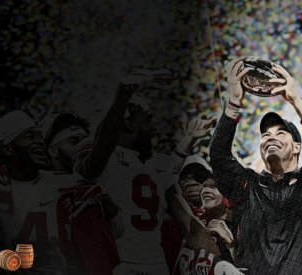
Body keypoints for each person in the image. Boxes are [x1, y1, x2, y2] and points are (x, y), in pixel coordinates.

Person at [73, 69, 215, 275]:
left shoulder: (154, 162)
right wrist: (123, 94)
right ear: (129, 124)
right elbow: (102, 145)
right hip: (118, 265)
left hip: (156, 264)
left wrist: (191, 137)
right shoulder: (106, 158)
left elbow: (171, 166)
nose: (154, 127)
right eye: (147, 119)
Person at [209, 58, 302, 274]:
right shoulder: (245, 186)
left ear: (298, 147)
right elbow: (219, 155)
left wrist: (295, 99)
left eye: (281, 133)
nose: (271, 137)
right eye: (265, 135)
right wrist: (234, 101)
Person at [42, 112, 120, 275]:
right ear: (53, 151)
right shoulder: (38, 185)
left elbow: (118, 232)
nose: (83, 147)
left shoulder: (99, 184)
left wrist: (110, 210)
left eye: (86, 141)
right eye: (74, 141)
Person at [0, 111, 68, 274]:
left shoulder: (60, 182)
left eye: (39, 136)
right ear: (7, 149)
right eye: (30, 136)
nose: (40, 142)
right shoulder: (1, 184)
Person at [167, 159, 237, 275]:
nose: (191, 186)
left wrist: (231, 243)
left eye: (196, 181)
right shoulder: (173, 213)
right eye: (186, 182)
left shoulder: (227, 215)